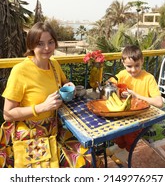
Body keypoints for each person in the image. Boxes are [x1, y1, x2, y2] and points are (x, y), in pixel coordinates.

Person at [0, 21, 101, 168]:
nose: (46, 48)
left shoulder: (54, 65)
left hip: (55, 129)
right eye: (40, 43)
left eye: (50, 42)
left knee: (90, 160)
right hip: (29, 134)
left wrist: (69, 84)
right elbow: (7, 114)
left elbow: (64, 81)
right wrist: (42, 107)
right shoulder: (19, 71)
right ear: (31, 46)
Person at [106, 44, 163, 165]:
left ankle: (127, 151)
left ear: (142, 61)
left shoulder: (149, 78)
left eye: (137, 65)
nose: (133, 70)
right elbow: (110, 82)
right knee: (116, 128)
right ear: (123, 63)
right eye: (129, 66)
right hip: (126, 113)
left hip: (142, 115)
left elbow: (159, 103)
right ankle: (120, 147)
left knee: (130, 132)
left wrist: (136, 95)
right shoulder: (122, 74)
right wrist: (111, 85)